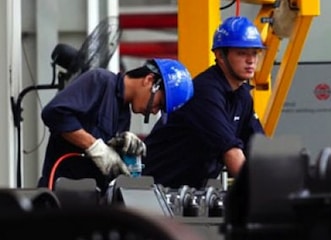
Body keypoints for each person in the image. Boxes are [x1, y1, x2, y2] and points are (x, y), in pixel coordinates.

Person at [142, 16, 266, 188]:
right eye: (242, 53)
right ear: (220, 56)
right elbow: (231, 152)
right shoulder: (205, 93)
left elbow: (258, 147)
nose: (251, 60)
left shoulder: (242, 96)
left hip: (189, 192)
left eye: (255, 53)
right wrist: (265, 194)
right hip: (156, 190)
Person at [38, 58, 194, 191]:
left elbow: (102, 159)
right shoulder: (100, 81)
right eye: (158, 104)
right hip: (60, 195)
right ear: (149, 80)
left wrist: (118, 149)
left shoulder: (123, 114)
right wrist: (95, 147)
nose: (154, 112)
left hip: (88, 199)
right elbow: (54, 113)